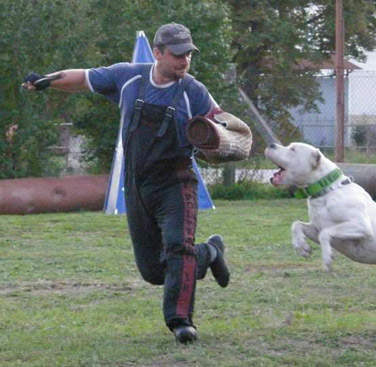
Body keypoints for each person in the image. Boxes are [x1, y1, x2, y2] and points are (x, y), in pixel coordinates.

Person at [22, 22, 230, 344]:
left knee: (177, 247)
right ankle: (210, 253)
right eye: (177, 54)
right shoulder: (128, 76)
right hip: (136, 186)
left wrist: (221, 138)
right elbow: (83, 77)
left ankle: (180, 322)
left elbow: (223, 128)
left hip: (176, 183)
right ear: (158, 52)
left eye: (188, 54)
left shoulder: (194, 91)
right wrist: (47, 81)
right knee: (153, 271)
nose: (184, 61)